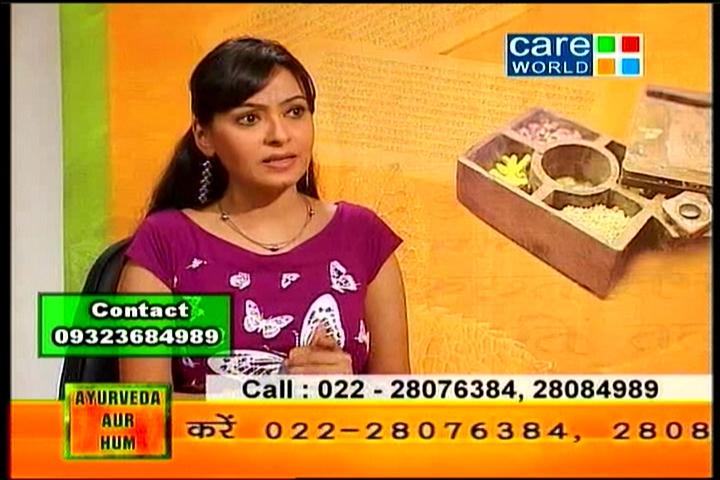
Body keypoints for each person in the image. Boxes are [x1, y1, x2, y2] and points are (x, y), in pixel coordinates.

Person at [117, 37, 410, 397]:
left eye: (295, 112)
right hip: (215, 437)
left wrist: (347, 393)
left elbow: (401, 409)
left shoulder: (362, 236)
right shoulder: (163, 244)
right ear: (204, 136)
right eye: (250, 118)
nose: (280, 135)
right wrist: (270, 396)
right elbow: (141, 410)